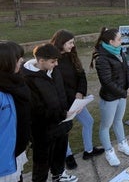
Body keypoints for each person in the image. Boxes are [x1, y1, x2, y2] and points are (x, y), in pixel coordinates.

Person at [22, 43, 78, 182]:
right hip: (43, 130)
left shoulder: (54, 70)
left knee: (60, 153)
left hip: (62, 124)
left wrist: (70, 109)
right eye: (53, 61)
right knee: (42, 162)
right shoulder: (28, 79)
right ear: (41, 61)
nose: (56, 64)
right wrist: (61, 115)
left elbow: (61, 94)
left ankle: (58, 175)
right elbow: (36, 109)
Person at [50, 30, 104, 169]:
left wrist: (80, 93)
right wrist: (69, 102)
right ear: (61, 42)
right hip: (63, 104)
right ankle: (68, 155)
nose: (73, 46)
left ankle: (88, 150)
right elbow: (56, 86)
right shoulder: (52, 60)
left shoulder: (72, 56)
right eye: (70, 43)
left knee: (89, 121)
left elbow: (81, 76)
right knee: (65, 129)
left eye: (73, 42)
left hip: (77, 100)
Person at [90, 27, 129, 166]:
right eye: (119, 39)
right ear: (111, 41)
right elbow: (107, 82)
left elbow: (126, 69)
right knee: (106, 126)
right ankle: (109, 151)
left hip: (121, 94)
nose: (122, 41)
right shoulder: (101, 58)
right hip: (110, 98)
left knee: (119, 120)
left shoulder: (119, 50)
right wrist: (123, 92)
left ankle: (122, 144)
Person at [0, 41, 31, 182]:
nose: (22, 60)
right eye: (18, 57)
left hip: (16, 152)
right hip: (3, 161)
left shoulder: (16, 82)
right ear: (6, 62)